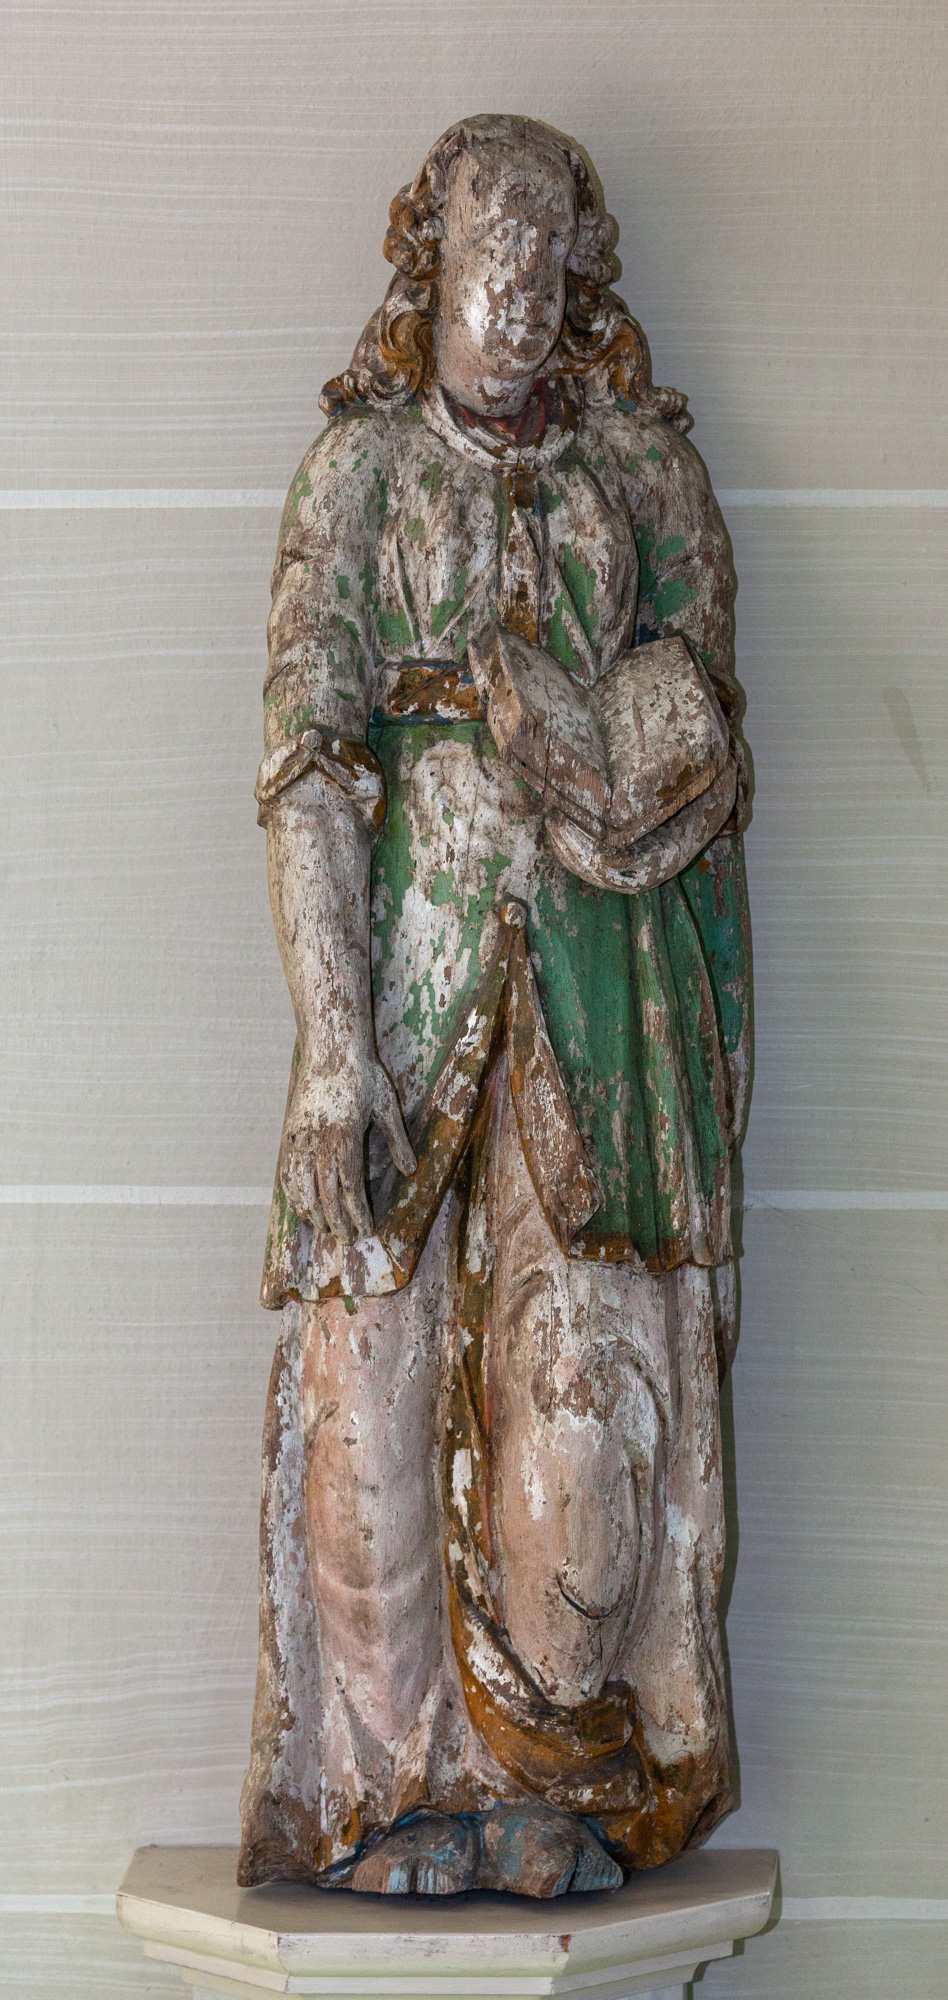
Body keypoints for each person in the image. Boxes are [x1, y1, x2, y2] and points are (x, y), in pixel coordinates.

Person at [238, 113, 751, 1898]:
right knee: (364, 1400)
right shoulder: (361, 477)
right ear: (432, 270)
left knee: (582, 1399)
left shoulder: (646, 479)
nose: (518, 297)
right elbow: (306, 760)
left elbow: (703, 715)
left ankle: (552, 1777)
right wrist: (332, 1043)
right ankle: (388, 1790)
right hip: (406, 980)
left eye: (549, 264)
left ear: (579, 283)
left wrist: (600, 740)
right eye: (487, 259)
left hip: (601, 1003)